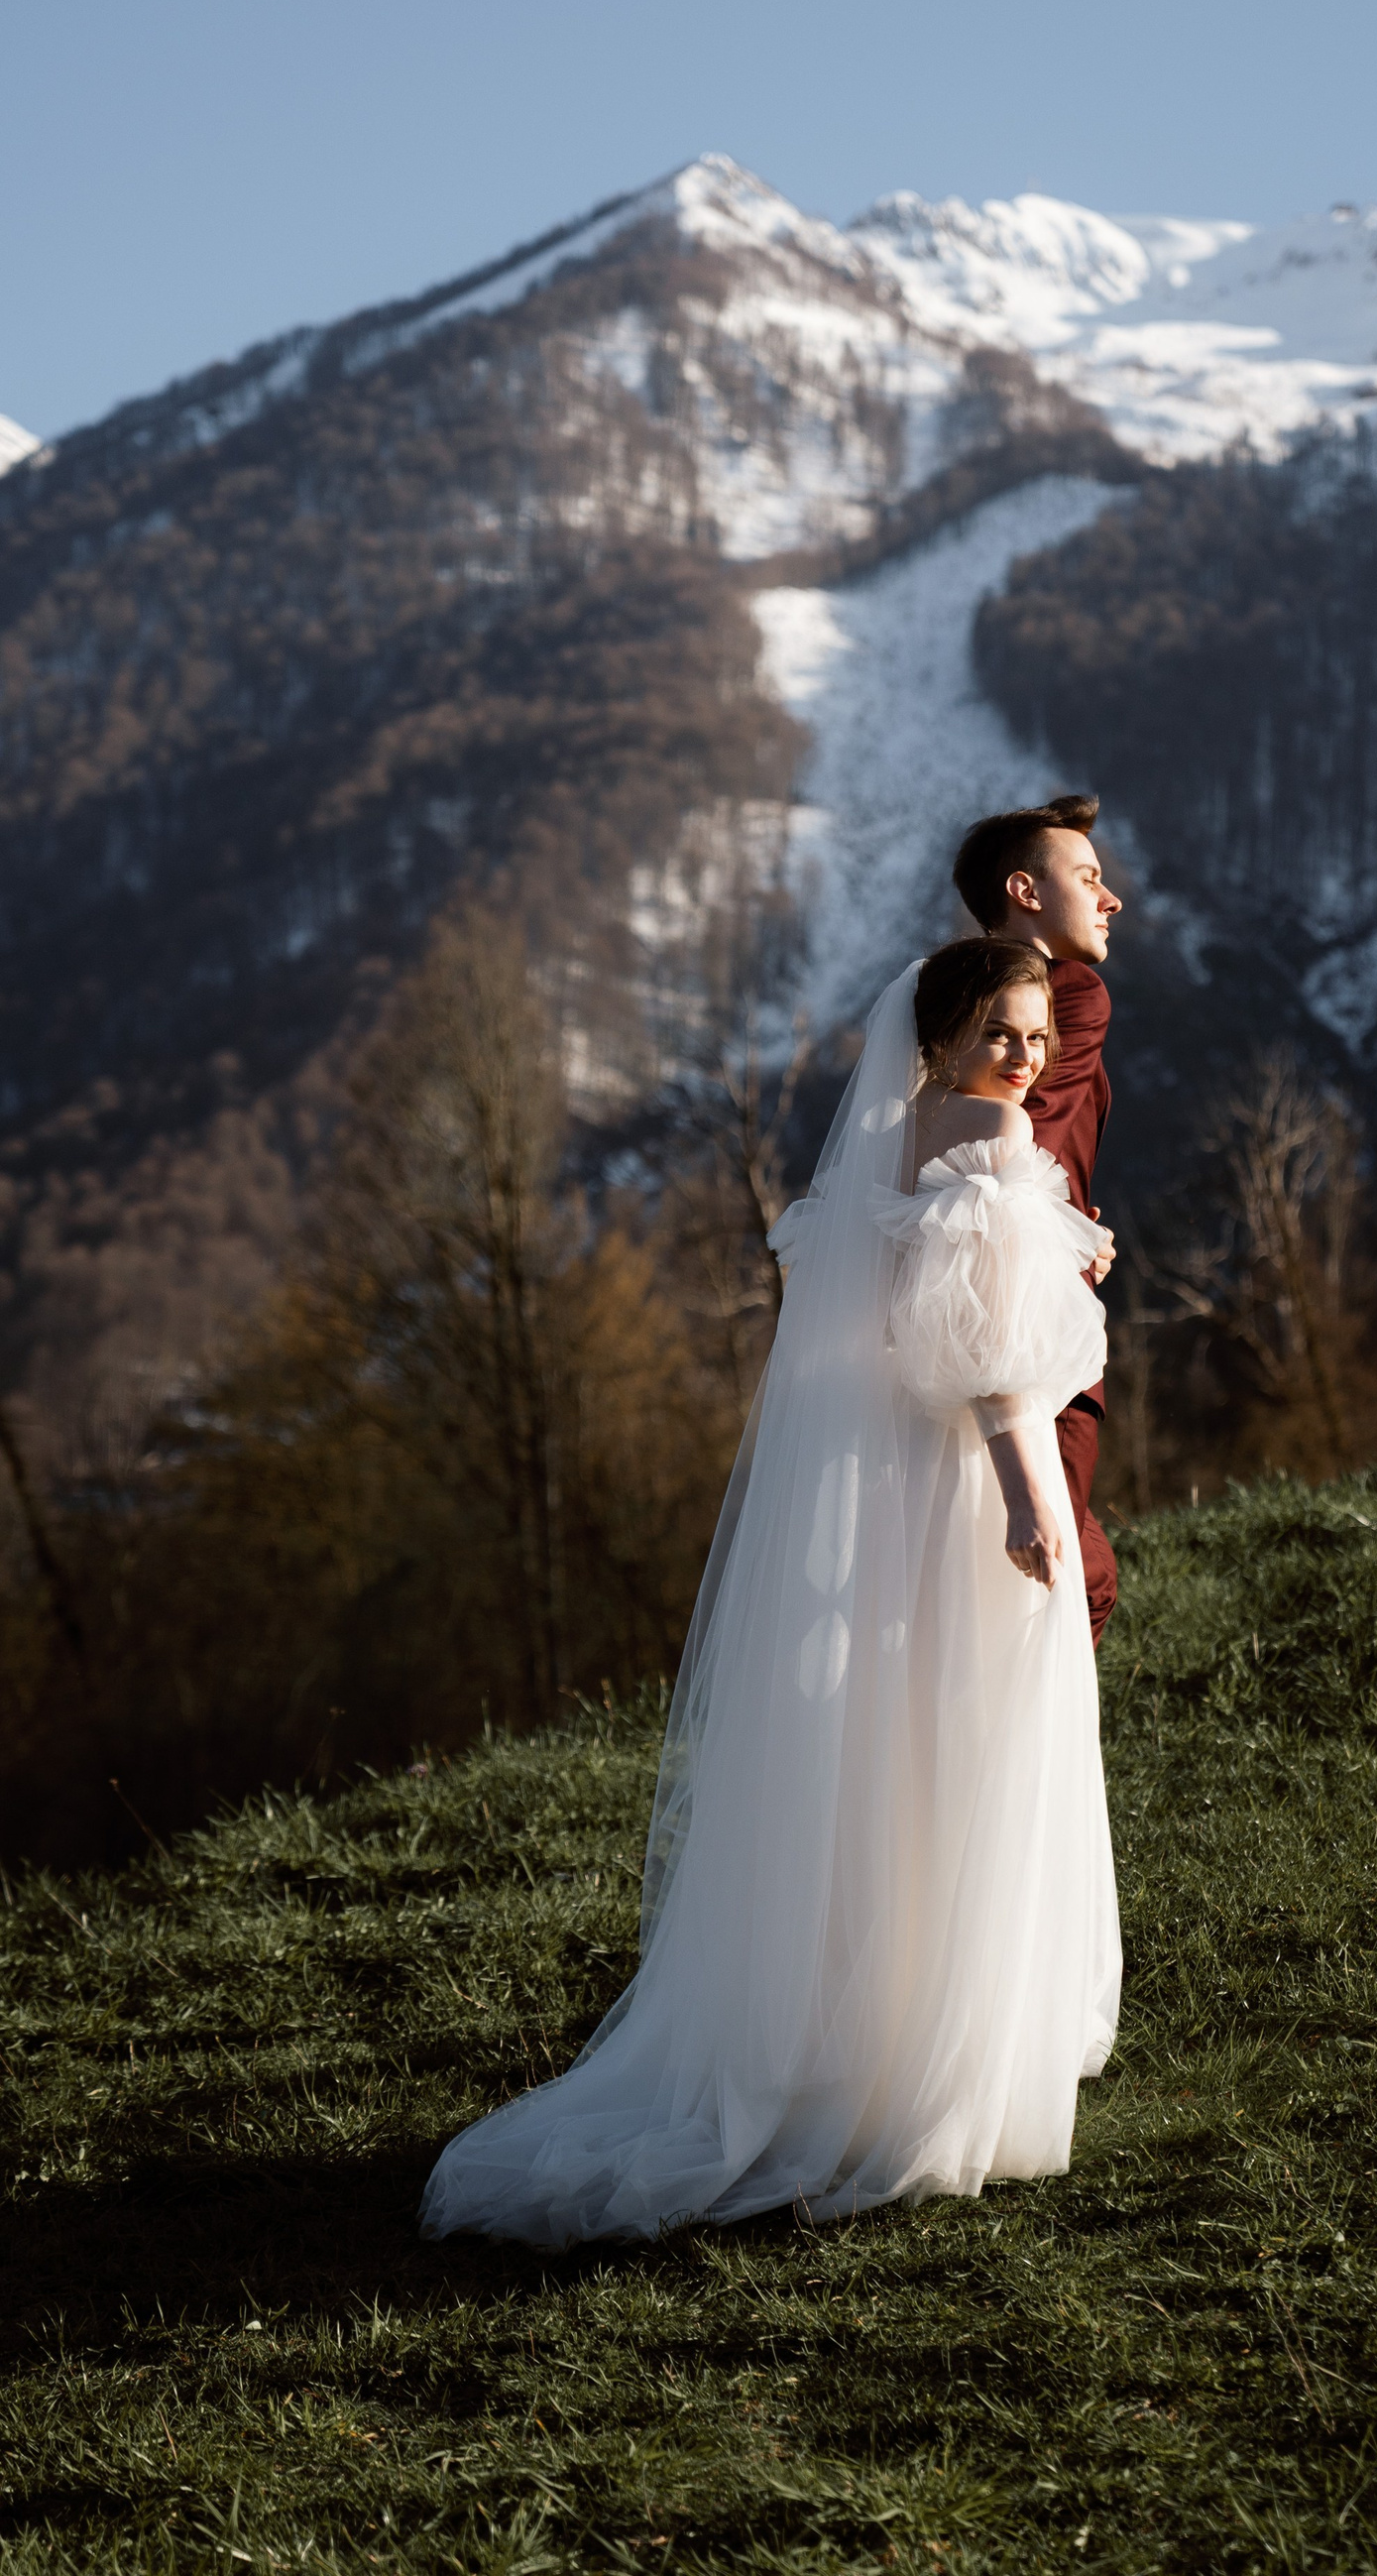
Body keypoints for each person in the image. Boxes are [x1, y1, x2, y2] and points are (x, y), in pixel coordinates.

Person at [419, 939, 1121, 2246]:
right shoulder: (987, 1134)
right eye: (997, 1032)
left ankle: (865, 2037)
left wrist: (1051, 1258)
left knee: (895, 1755)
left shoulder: (896, 1140)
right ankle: (944, 2064)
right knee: (973, 1746)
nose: (1023, 1059)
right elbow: (992, 1360)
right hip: (969, 1483)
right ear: (942, 1037)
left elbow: (918, 1308)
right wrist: (1033, 1500)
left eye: (1035, 1036)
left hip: (900, 1483)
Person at [952, 795, 1122, 1646]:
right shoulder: (1070, 995)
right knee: (1072, 1580)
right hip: (1027, 1320)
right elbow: (1018, 1153)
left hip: (938, 1316)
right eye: (1088, 878)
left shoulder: (944, 999)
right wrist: (1066, 1232)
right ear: (1025, 891)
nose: (1111, 898)